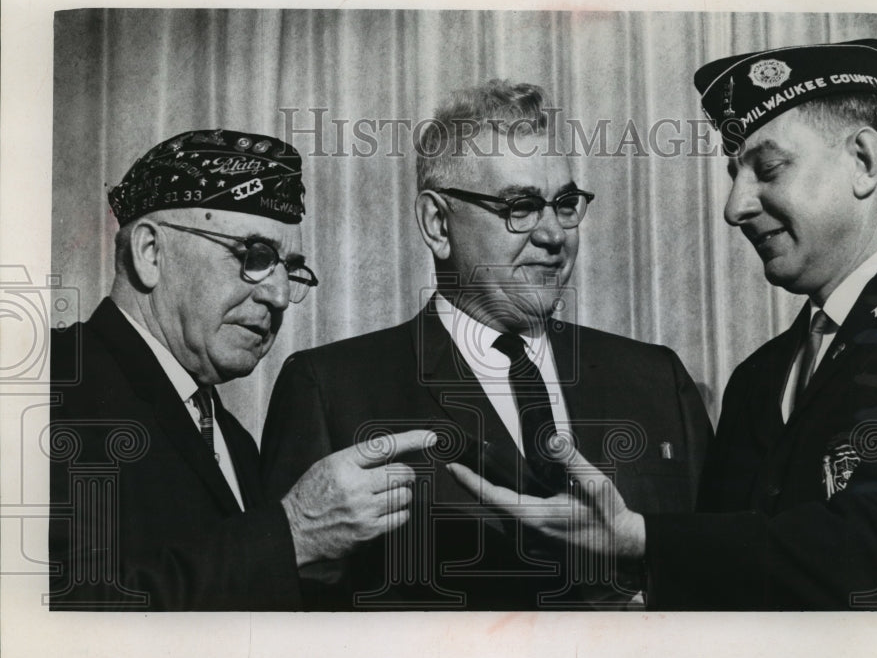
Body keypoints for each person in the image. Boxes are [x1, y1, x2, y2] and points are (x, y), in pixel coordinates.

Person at [449, 40, 877, 610]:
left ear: (864, 162)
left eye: (767, 168)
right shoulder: (759, 377)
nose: (735, 206)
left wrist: (642, 540)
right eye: (734, 174)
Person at [261, 80, 712, 610]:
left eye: (565, 204)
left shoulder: (657, 378)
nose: (553, 235)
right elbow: (290, 615)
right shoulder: (333, 389)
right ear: (437, 223)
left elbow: (724, 571)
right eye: (519, 206)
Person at [49, 129, 434, 610]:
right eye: (253, 257)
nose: (277, 295)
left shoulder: (230, 437)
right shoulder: (49, 386)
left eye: (287, 268)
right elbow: (60, 616)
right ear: (151, 254)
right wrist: (293, 533)